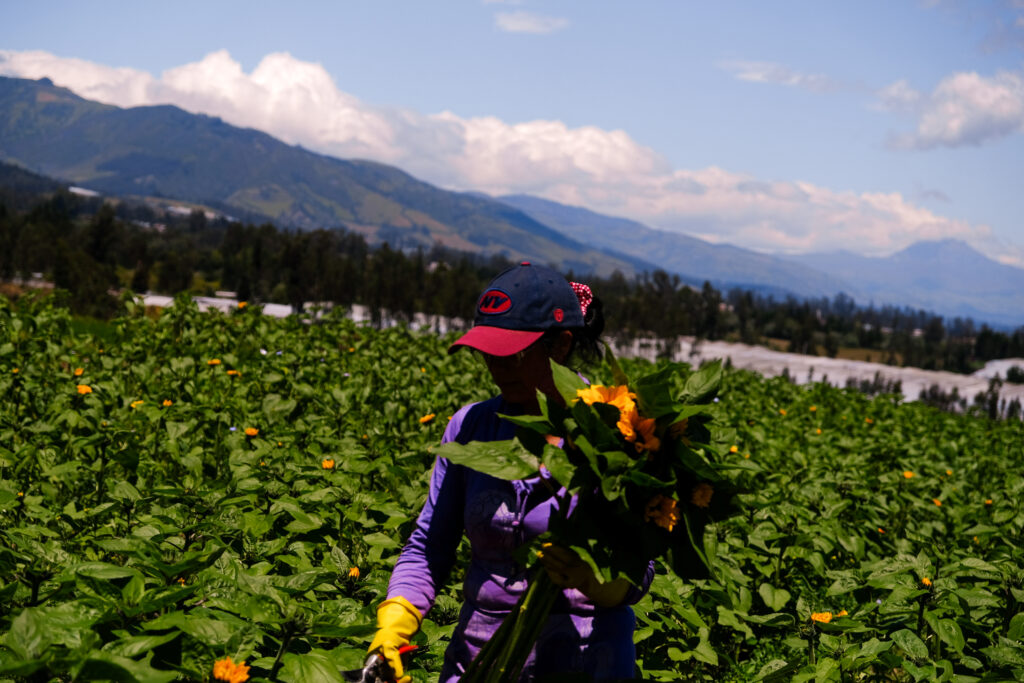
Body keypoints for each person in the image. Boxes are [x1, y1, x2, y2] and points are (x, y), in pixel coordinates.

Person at [368, 262, 655, 682]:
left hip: (587, 662)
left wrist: (598, 582)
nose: (497, 367)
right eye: (488, 352)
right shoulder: (470, 428)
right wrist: (395, 624)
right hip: (478, 663)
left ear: (559, 346)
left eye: (512, 354)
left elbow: (639, 566)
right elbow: (431, 544)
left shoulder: (618, 432)